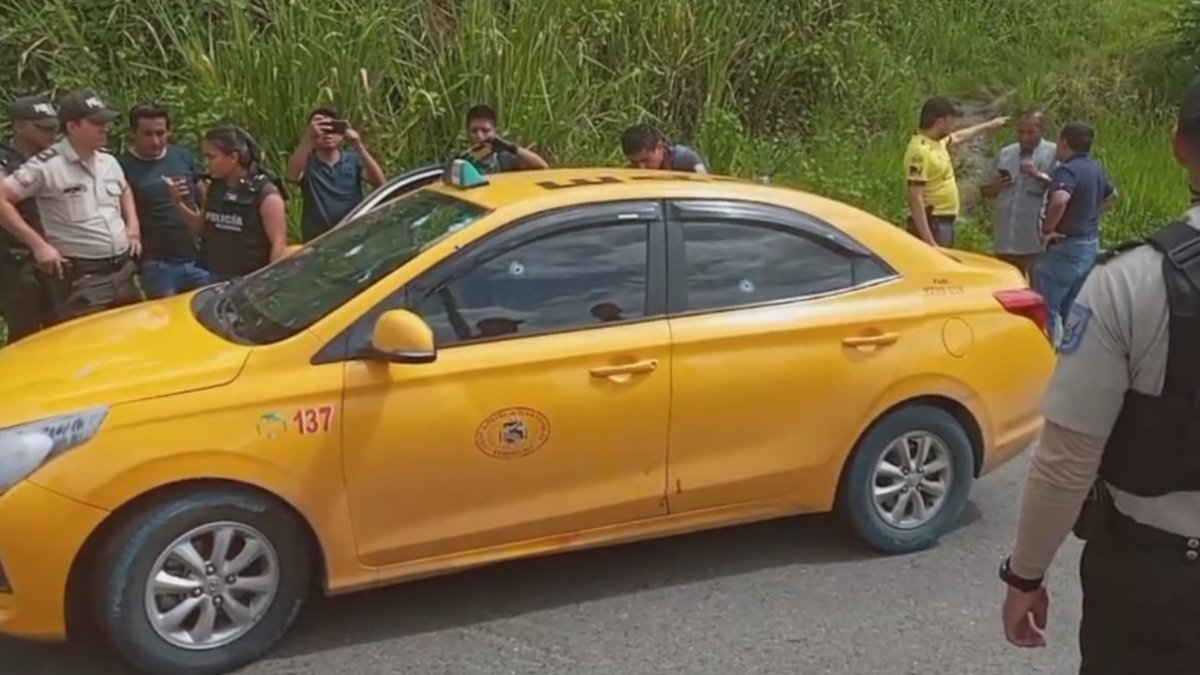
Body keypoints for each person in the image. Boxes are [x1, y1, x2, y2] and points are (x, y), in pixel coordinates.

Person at [999, 75, 1200, 675]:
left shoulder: (1130, 285)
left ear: (1179, 146)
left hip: (1158, 584)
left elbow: (1066, 459)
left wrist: (1025, 574)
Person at [0, 88, 142, 326]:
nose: (105, 128)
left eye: (106, 122)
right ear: (73, 126)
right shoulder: (47, 166)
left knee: (129, 339)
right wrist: (39, 246)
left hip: (123, 270)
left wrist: (133, 227)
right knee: (87, 345)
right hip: (82, 277)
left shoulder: (108, 161)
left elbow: (124, 188)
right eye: (96, 123)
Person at [169, 126, 288, 282]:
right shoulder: (216, 188)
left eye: (211, 157)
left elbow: (279, 243)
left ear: (233, 157)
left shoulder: (265, 193)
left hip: (251, 281)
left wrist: (270, 282)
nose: (207, 163)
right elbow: (202, 228)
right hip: (215, 278)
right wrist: (179, 203)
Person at [1034, 121, 1116, 347]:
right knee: (1072, 307)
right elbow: (1112, 195)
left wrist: (1049, 229)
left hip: (1067, 247)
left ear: (1064, 142)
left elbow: (1060, 199)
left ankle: (1050, 355)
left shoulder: (1068, 170)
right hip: (1089, 244)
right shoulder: (1095, 168)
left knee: (1046, 304)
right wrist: (1090, 214)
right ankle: (1072, 353)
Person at [117, 102, 210, 299]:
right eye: (148, 134)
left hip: (198, 258)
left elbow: (205, 195)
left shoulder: (182, 157)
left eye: (161, 133)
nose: (156, 140)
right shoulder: (121, 166)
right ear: (133, 133)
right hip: (157, 265)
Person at [904, 96, 1009, 247]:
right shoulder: (920, 152)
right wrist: (929, 241)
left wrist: (987, 126)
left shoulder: (937, 141)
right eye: (950, 121)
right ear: (940, 122)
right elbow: (915, 198)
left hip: (944, 222)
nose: (953, 125)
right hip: (933, 223)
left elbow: (958, 137)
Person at [0, 95, 58, 342]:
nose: (51, 132)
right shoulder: (4, 159)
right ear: (20, 126)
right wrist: (35, 244)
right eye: (42, 127)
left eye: (53, 126)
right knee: (25, 332)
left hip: (57, 251)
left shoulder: (56, 156)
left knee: (62, 326)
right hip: (16, 257)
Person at [284, 106, 386, 242]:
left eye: (333, 128)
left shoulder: (353, 160)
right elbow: (291, 176)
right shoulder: (306, 162)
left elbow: (380, 183)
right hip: (318, 240)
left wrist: (358, 145)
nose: (328, 134)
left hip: (354, 235)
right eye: (323, 129)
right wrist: (309, 138)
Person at [981, 110, 1058, 279]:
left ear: (1042, 131)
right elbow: (985, 191)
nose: (1024, 138)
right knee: (1007, 288)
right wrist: (996, 186)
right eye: (1020, 132)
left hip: (1035, 240)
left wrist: (1037, 175)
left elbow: (1061, 190)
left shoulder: (1054, 153)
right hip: (1006, 237)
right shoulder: (1006, 153)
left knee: (1038, 289)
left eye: (1031, 133)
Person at [461, 104, 549, 173]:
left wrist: (509, 147)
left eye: (485, 131)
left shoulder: (505, 159)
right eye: (474, 131)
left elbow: (542, 166)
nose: (479, 136)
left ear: (496, 132)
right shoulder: (461, 161)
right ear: (467, 133)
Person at [620, 123, 707, 173]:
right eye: (635, 162)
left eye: (645, 161)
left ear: (659, 148)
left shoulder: (686, 160)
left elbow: (704, 188)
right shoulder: (631, 170)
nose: (641, 167)